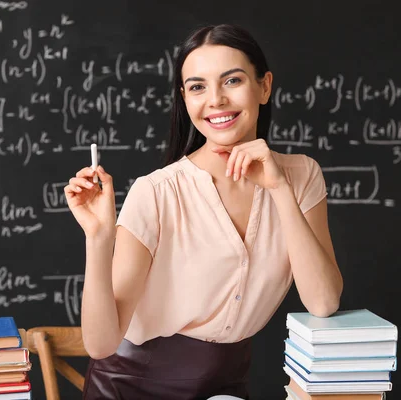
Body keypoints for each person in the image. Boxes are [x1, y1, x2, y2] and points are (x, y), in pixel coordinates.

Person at [64, 23, 343, 399]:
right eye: (197, 87)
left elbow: (323, 302)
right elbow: (100, 345)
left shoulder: (302, 176)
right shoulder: (158, 191)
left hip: (223, 388)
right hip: (130, 386)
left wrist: (278, 189)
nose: (216, 100)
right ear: (185, 99)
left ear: (264, 86)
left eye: (232, 81)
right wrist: (99, 239)